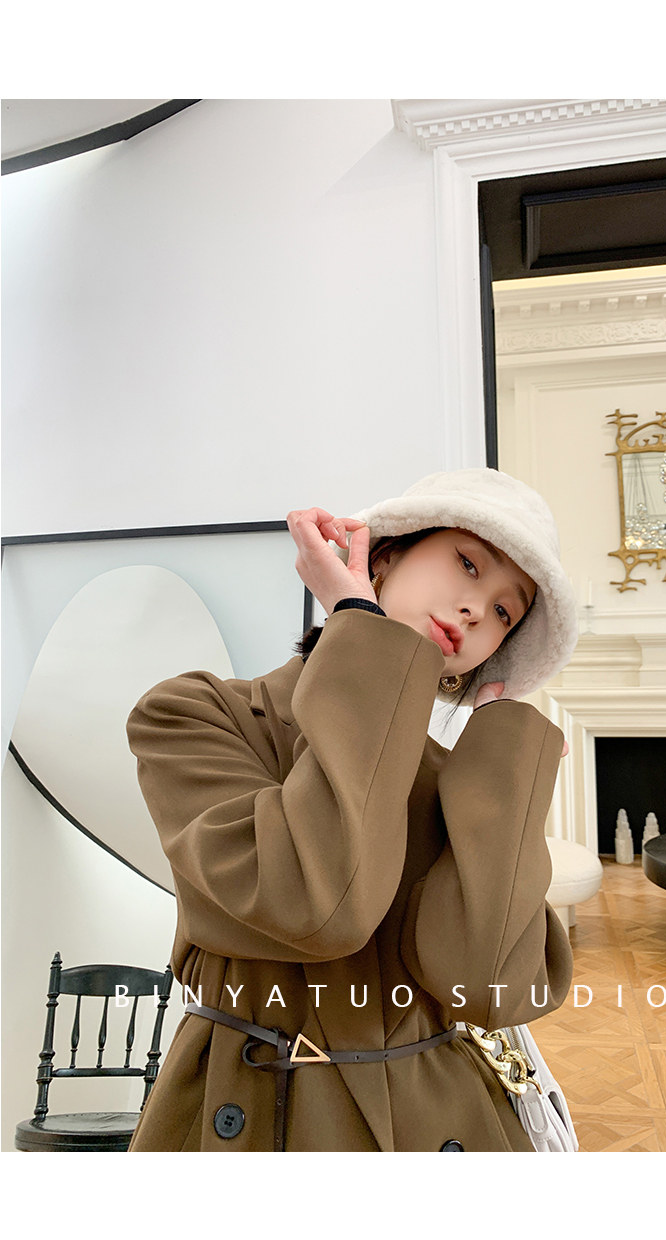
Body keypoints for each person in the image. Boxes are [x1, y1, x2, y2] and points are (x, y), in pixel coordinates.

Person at [125, 467, 578, 1152]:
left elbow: (488, 989)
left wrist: (503, 767)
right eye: (466, 563)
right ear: (384, 558)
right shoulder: (196, 713)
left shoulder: (460, 781)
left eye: (505, 613)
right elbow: (315, 905)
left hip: (444, 1119)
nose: (476, 611)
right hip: (252, 1107)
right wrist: (358, 625)